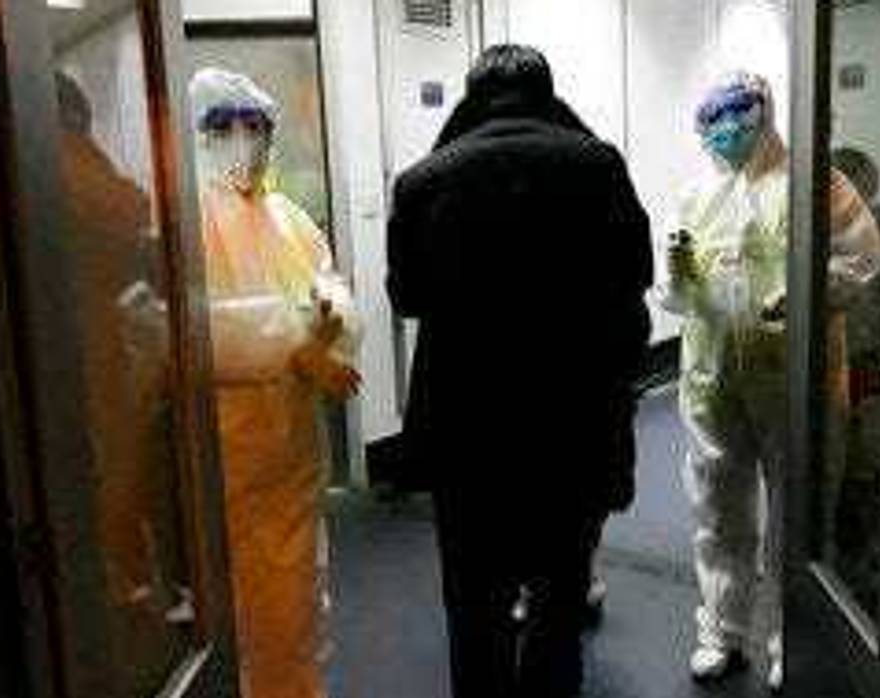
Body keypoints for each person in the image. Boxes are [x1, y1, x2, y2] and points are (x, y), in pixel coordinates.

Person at [387, 45, 652, 698]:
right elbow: (634, 275)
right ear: (548, 91)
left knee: (473, 604)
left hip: (466, 431)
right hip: (573, 422)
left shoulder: (424, 179)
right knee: (559, 601)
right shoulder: (597, 164)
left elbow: (408, 297)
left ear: (471, 96)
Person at [662, 72, 880, 691]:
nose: (727, 129)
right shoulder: (696, 194)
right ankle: (721, 632)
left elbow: (863, 259)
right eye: (715, 118)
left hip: (792, 373)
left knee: (797, 509)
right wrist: (679, 279)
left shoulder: (817, 185)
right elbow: (680, 297)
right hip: (712, 375)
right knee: (716, 505)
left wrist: (807, 289)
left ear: (765, 114)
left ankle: (793, 635)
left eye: (740, 114)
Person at [190, 68, 361, 698]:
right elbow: (189, 331)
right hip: (226, 460)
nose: (248, 139)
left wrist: (331, 326)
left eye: (258, 125)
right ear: (200, 136)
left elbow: (331, 286)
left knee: (298, 600)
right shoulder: (185, 220)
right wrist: (298, 344)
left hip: (292, 449)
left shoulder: (287, 215)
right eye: (228, 126)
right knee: (235, 611)